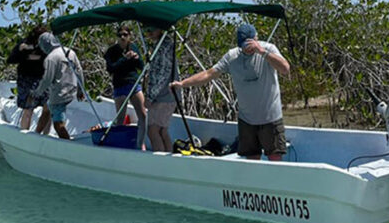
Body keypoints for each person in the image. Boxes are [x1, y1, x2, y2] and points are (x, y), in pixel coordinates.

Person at [171, 23, 290, 160]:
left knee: (275, 158)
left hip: (271, 117)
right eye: (244, 45)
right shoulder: (232, 56)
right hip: (247, 120)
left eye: (250, 44)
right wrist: (182, 84)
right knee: (252, 161)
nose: (248, 49)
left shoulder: (269, 48)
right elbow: (209, 74)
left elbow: (285, 69)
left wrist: (261, 51)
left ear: (256, 39)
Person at [31, 32, 85, 140]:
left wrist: (36, 92)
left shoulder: (51, 58)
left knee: (58, 125)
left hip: (59, 94)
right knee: (46, 109)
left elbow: (47, 79)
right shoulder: (70, 52)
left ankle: (68, 144)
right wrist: (81, 90)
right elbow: (79, 71)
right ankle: (37, 134)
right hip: (71, 90)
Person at [104, 24, 147, 148]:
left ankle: (141, 143)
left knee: (143, 115)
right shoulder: (111, 51)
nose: (122, 37)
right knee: (120, 118)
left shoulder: (133, 47)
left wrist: (137, 58)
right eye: (120, 35)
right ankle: (120, 144)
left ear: (129, 36)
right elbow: (110, 68)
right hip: (120, 85)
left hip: (133, 84)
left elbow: (141, 66)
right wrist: (124, 58)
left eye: (125, 35)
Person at [6, 25, 51, 133]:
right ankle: (25, 135)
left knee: (47, 109)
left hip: (43, 80)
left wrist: (39, 57)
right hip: (26, 80)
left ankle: (44, 136)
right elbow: (10, 60)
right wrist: (24, 54)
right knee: (28, 110)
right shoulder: (24, 43)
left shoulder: (47, 45)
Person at [143, 26, 178, 152]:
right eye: (147, 30)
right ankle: (168, 162)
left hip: (163, 95)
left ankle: (161, 164)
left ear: (160, 29)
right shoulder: (165, 44)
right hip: (170, 94)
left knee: (152, 130)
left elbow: (163, 73)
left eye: (152, 29)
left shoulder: (163, 47)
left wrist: (150, 96)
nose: (149, 32)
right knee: (162, 130)